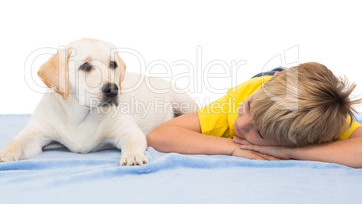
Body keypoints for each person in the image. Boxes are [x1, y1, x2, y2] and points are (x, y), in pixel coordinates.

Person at [147, 62, 362, 168]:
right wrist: (232, 148)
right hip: (265, 80)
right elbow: (159, 136)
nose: (240, 124)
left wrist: (292, 152)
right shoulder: (235, 105)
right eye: (249, 108)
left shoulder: (328, 124)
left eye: (258, 132)